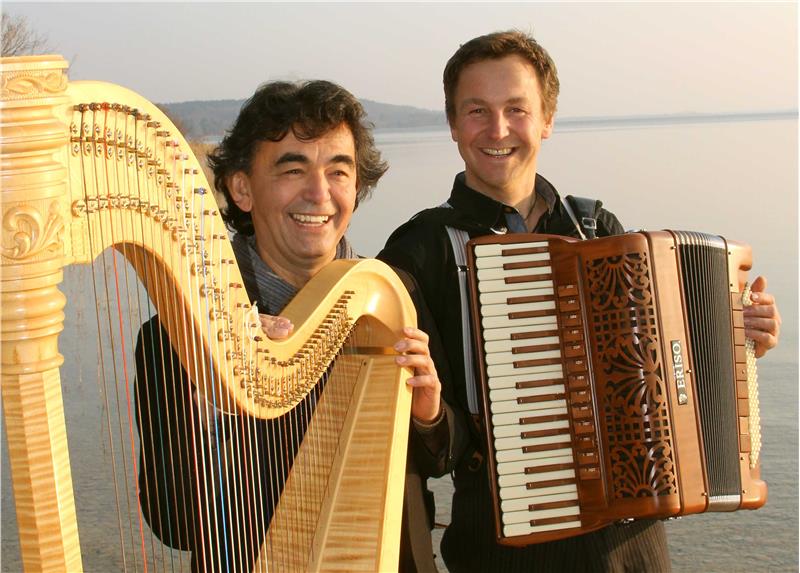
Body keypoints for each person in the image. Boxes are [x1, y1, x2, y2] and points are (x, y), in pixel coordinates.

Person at [378, 30, 781, 572]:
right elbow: (434, 452)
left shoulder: (597, 229)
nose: (498, 129)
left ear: (547, 120)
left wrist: (740, 338)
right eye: (477, 111)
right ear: (453, 124)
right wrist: (427, 413)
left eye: (517, 109)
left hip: (631, 547)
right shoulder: (420, 250)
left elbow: (663, 374)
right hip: (504, 551)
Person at [134, 80, 458, 572]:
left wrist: (429, 413)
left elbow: (445, 456)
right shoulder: (176, 337)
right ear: (242, 189)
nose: (319, 193)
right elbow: (173, 526)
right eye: (293, 169)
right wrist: (211, 412)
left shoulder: (396, 295)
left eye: (338, 171)